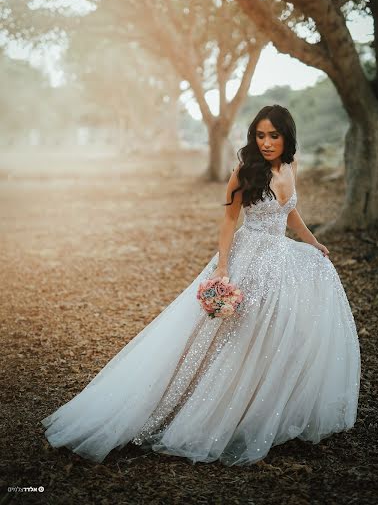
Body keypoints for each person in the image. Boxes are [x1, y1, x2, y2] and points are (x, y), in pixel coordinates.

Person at [41, 104, 361, 466]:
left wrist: (312, 241)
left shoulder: (290, 165)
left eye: (274, 135)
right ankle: (204, 408)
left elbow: (290, 212)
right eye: (260, 135)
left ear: (286, 136)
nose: (267, 142)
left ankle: (258, 407)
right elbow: (228, 222)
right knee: (231, 335)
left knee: (276, 331)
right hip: (248, 256)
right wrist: (223, 267)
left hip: (281, 260)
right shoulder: (245, 171)